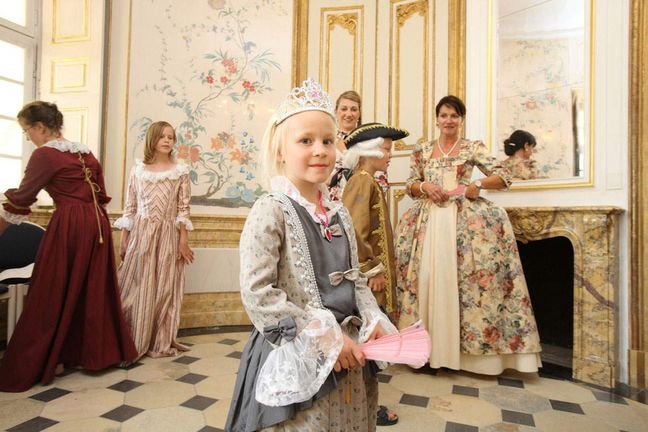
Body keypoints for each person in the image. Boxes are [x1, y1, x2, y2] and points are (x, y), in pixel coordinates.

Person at [225, 78, 397, 432]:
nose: (319, 150)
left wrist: (372, 316)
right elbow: (258, 294)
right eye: (306, 141)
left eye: (327, 140)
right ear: (280, 151)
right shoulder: (270, 210)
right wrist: (325, 338)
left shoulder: (339, 212)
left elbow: (355, 279)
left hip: (350, 354)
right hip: (299, 350)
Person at [395, 95, 542, 374]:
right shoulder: (423, 150)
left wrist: (478, 183)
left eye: (454, 115)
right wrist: (425, 187)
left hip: (462, 223)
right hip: (428, 223)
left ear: (461, 119)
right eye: (444, 115)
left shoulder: (473, 147)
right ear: (436, 119)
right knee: (426, 282)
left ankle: (463, 356)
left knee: (463, 284)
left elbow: (503, 175)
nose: (448, 120)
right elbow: (410, 184)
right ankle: (424, 352)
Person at [0, 101, 137, 392]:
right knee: (91, 287)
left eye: (27, 131)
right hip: (96, 224)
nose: (28, 138)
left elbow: (22, 197)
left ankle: (51, 357)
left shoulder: (45, 155)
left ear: (40, 127)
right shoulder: (85, 151)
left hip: (71, 224)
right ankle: (89, 355)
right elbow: (99, 193)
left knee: (51, 288)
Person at [341, 122, 409, 427]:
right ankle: (361, 404)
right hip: (371, 281)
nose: (390, 155)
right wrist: (372, 271)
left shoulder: (369, 180)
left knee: (372, 344)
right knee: (369, 342)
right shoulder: (363, 181)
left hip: (375, 278)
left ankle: (366, 402)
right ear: (370, 150)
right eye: (387, 148)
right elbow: (355, 230)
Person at [114, 121, 194, 361]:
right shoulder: (138, 170)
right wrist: (124, 239)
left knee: (163, 288)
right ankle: (131, 338)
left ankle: (158, 340)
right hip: (141, 234)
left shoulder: (180, 171)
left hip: (168, 236)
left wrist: (183, 240)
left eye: (171, 137)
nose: (167, 140)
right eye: (162, 136)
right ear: (153, 139)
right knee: (135, 286)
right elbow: (130, 206)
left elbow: (183, 209)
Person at [328, 91, 389, 200]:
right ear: (336, 112)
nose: (348, 114)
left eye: (354, 109)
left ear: (359, 114)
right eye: (344, 109)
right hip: (328, 206)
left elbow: (380, 179)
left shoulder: (370, 142)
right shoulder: (326, 141)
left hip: (360, 204)